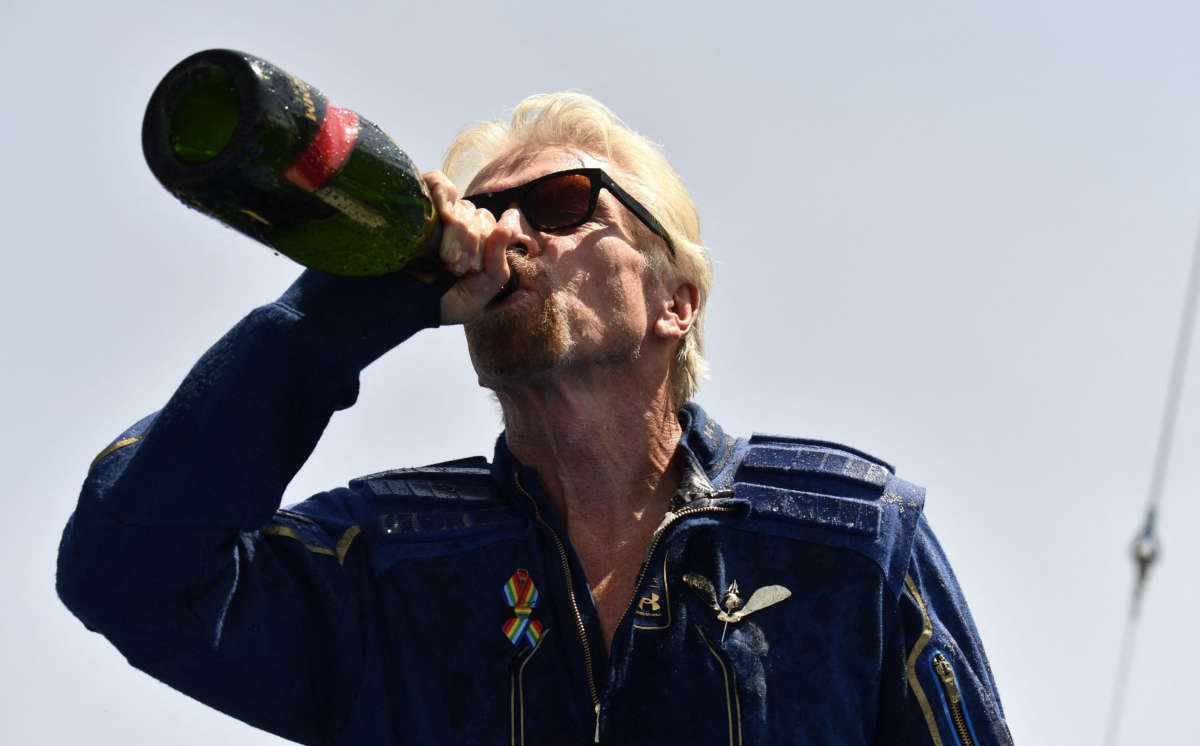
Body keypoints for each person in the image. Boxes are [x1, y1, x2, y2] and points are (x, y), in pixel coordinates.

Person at [58, 92, 1013, 745]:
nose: (510, 234)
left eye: (562, 204)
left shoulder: (850, 538)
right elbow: (127, 577)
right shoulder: (390, 559)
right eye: (486, 210)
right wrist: (331, 322)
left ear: (675, 301)